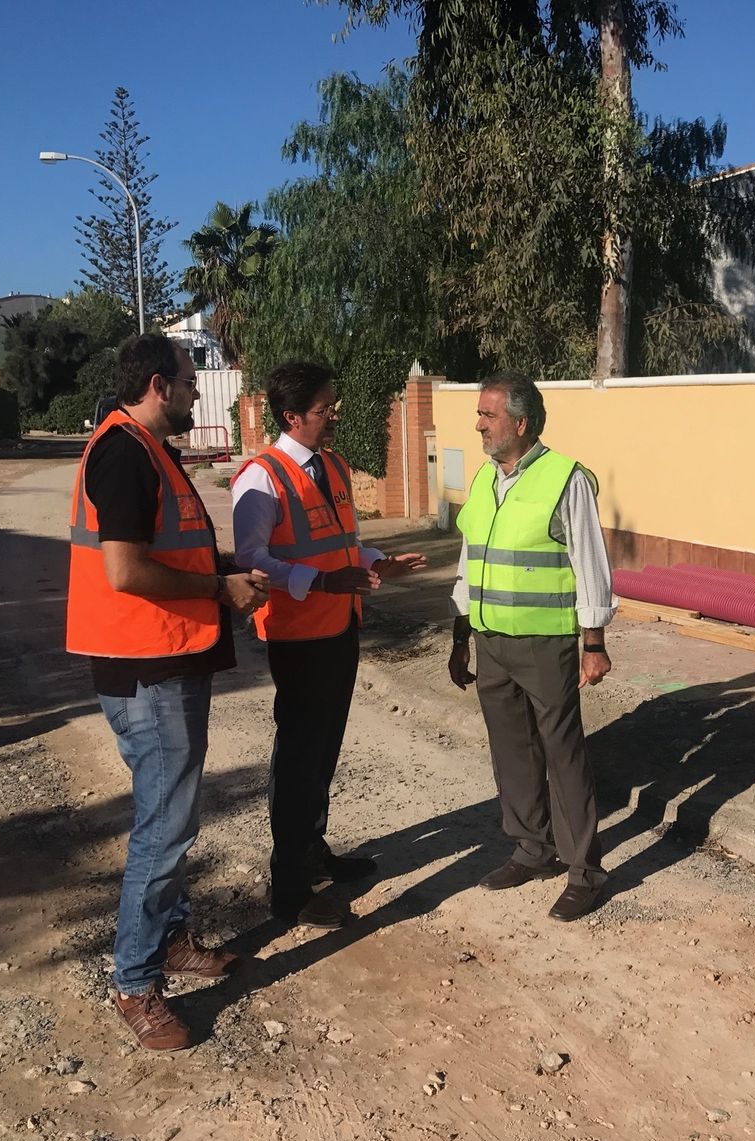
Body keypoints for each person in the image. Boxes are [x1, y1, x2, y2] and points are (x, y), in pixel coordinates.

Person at [66, 333, 269, 1051]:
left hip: (167, 660)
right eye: (188, 380)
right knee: (166, 824)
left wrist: (229, 570)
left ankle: (171, 938)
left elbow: (167, 550)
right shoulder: (124, 454)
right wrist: (219, 587)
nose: (193, 391)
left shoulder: (150, 451)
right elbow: (125, 571)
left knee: (172, 813)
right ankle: (134, 980)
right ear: (158, 383)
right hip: (146, 668)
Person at [231, 361, 427, 929]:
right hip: (297, 636)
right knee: (297, 759)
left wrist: (377, 564)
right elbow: (251, 560)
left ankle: (313, 854)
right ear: (292, 416)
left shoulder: (334, 467)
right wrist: (318, 582)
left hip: (341, 626)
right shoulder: (260, 477)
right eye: (325, 408)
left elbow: (346, 544)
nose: (335, 413)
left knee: (323, 753)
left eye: (334, 404)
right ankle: (288, 888)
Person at [447, 371, 615, 922]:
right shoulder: (483, 480)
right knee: (511, 750)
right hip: (491, 639)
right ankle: (531, 848)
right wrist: (460, 633)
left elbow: (591, 564)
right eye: (479, 414)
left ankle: (584, 870)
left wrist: (594, 642)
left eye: (487, 415)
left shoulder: (565, 479)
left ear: (520, 423)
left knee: (563, 754)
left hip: (546, 644)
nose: (479, 424)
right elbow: (470, 561)